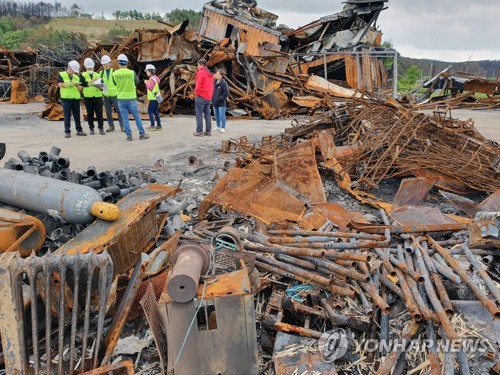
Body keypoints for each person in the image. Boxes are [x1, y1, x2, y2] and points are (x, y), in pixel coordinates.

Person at [112, 54, 149, 141]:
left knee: (125, 118)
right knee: (137, 117)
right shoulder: (131, 73)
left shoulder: (115, 74)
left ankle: (129, 136)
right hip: (131, 99)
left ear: (118, 63)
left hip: (121, 99)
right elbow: (136, 82)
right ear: (127, 63)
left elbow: (114, 83)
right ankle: (142, 134)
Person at [57, 60, 86, 138]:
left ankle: (79, 130)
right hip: (66, 99)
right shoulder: (61, 75)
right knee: (67, 116)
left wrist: (76, 85)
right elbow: (60, 84)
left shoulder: (76, 77)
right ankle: (67, 131)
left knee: (77, 115)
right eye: (73, 70)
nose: (73, 72)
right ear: (69, 67)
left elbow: (80, 88)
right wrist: (70, 84)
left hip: (75, 98)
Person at [80, 58, 105, 135]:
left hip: (97, 96)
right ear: (86, 67)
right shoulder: (83, 75)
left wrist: (100, 87)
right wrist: (91, 81)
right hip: (88, 97)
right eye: (89, 67)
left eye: (91, 67)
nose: (90, 68)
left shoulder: (98, 74)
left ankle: (101, 128)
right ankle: (91, 128)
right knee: (89, 114)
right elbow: (82, 83)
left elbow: (102, 86)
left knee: (99, 113)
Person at [100, 55, 124, 132]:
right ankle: (111, 125)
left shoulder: (115, 72)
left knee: (119, 110)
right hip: (105, 94)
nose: (105, 65)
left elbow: (119, 83)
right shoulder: (101, 73)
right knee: (108, 111)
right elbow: (101, 83)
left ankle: (122, 125)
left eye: (107, 64)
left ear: (110, 63)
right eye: (104, 64)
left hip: (115, 94)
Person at [193, 58, 214, 137]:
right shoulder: (210, 73)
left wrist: (196, 94)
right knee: (207, 115)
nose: (197, 66)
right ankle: (208, 131)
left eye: (198, 65)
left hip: (201, 96)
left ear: (201, 65)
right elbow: (212, 86)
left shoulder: (201, 73)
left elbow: (198, 85)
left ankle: (199, 131)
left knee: (199, 114)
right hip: (208, 97)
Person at [144, 64, 162, 131]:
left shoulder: (151, 79)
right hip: (156, 98)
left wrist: (146, 83)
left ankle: (152, 125)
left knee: (150, 111)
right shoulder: (156, 78)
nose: (146, 72)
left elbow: (150, 88)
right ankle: (159, 125)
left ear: (150, 71)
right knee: (155, 111)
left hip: (153, 98)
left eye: (147, 71)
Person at [212, 69, 229, 133]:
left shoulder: (224, 83)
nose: (216, 75)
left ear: (221, 75)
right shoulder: (214, 81)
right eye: (216, 73)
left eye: (218, 74)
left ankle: (223, 127)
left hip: (221, 102)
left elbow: (226, 93)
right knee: (216, 115)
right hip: (214, 101)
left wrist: (220, 98)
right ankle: (218, 126)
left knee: (222, 115)